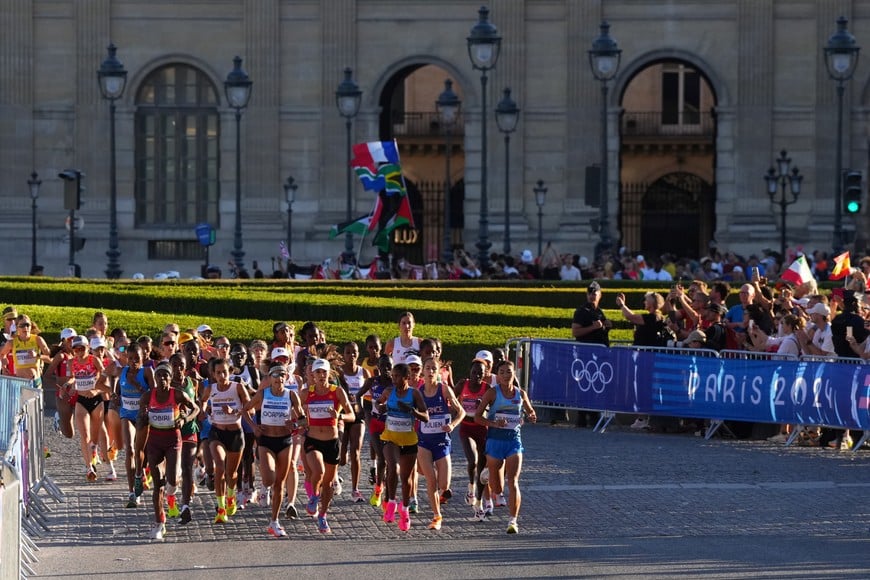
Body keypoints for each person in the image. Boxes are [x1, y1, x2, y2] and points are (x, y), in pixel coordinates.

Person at [134, 361, 199, 540]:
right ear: (154, 378)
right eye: (159, 375)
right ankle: (159, 522)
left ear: (170, 379)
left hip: (173, 440)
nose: (162, 378)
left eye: (166, 376)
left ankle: (171, 494)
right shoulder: (147, 397)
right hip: (154, 441)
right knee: (157, 484)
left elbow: (196, 408)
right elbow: (141, 418)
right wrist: (143, 417)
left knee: (172, 480)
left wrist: (185, 419)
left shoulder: (177, 394)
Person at [474, 360, 536, 534]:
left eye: (508, 372)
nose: (505, 375)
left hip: (514, 442)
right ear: (497, 375)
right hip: (494, 442)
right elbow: (477, 417)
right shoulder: (492, 393)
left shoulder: (520, 394)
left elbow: (531, 412)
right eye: (501, 372)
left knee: (513, 482)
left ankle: (513, 521)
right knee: (498, 488)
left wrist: (531, 416)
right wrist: (493, 423)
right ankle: (487, 476)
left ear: (513, 373)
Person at [243, 364, 305, 538]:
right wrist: (254, 427)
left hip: (285, 441)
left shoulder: (291, 395)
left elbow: (303, 421)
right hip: (266, 440)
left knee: (280, 483)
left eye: (282, 376)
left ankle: (274, 521)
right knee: (269, 478)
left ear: (286, 378)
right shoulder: (263, 394)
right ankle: (263, 486)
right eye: (275, 376)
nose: (279, 379)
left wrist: (293, 425)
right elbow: (245, 409)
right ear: (270, 378)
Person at [300, 358, 355, 533]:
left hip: (331, 441)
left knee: (329, 484)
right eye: (318, 372)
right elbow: (296, 413)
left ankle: (323, 515)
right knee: (318, 471)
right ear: (313, 375)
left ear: (329, 373)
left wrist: (339, 417)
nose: (321, 375)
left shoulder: (337, 391)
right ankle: (314, 497)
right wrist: (297, 422)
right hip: (313, 439)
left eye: (324, 372)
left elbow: (352, 415)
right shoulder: (305, 393)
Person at [199, 357, 252, 524]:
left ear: (231, 372)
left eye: (225, 372)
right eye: (218, 372)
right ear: (213, 374)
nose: (222, 375)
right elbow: (203, 401)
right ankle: (221, 509)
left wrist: (234, 410)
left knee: (232, 473)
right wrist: (203, 410)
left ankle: (231, 496)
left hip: (235, 434)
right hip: (217, 433)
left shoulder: (237, 387)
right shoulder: (211, 388)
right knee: (219, 467)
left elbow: (248, 406)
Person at [376, 362, 429, 532]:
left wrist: (411, 411)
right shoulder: (389, 392)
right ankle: (391, 503)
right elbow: (378, 404)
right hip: (390, 437)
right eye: (393, 376)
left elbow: (426, 417)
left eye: (397, 376)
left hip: (409, 441)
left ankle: (405, 510)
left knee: (406, 479)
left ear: (407, 378)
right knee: (393, 467)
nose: (394, 379)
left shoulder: (414, 394)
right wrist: (381, 407)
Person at [416, 356, 465, 530]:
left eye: (433, 369)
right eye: (427, 368)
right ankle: (437, 516)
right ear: (423, 371)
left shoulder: (444, 390)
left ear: (438, 372)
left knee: (444, 485)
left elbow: (462, 412)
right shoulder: (418, 392)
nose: (430, 372)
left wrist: (452, 424)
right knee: (431, 480)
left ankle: (441, 494)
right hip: (424, 442)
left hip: (442, 442)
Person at [113, 343, 154, 507]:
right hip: (127, 414)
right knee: (129, 449)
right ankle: (132, 493)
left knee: (139, 451)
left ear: (143, 357)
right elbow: (116, 392)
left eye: (136, 358)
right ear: (125, 358)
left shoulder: (147, 372)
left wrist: (136, 384)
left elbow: (154, 395)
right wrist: (115, 398)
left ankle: (139, 474)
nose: (133, 362)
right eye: (130, 358)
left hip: (142, 416)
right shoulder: (121, 372)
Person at [453, 359, 490, 518]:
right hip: (466, 428)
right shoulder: (463, 385)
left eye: (480, 373)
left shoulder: (487, 389)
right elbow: (451, 399)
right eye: (474, 372)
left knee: (482, 469)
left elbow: (493, 409)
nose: (477, 375)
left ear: (485, 373)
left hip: (482, 429)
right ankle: (470, 488)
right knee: (472, 460)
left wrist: (485, 406)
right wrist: (454, 413)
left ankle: (480, 503)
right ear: (470, 372)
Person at [338, 341, 370, 502]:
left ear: (358, 354)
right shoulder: (338, 373)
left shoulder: (364, 373)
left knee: (355, 451)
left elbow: (373, 395)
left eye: (354, 352)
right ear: (343, 355)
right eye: (348, 352)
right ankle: (334, 477)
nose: (351, 355)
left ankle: (355, 489)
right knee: (342, 457)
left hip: (358, 417)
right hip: (342, 416)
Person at [572, 281, 611, 346]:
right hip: (587, 350)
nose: (591, 296)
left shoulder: (599, 311)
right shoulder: (581, 311)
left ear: (600, 295)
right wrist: (593, 327)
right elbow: (575, 332)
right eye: (589, 294)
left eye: (594, 294)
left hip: (600, 350)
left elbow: (600, 330)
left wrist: (607, 326)